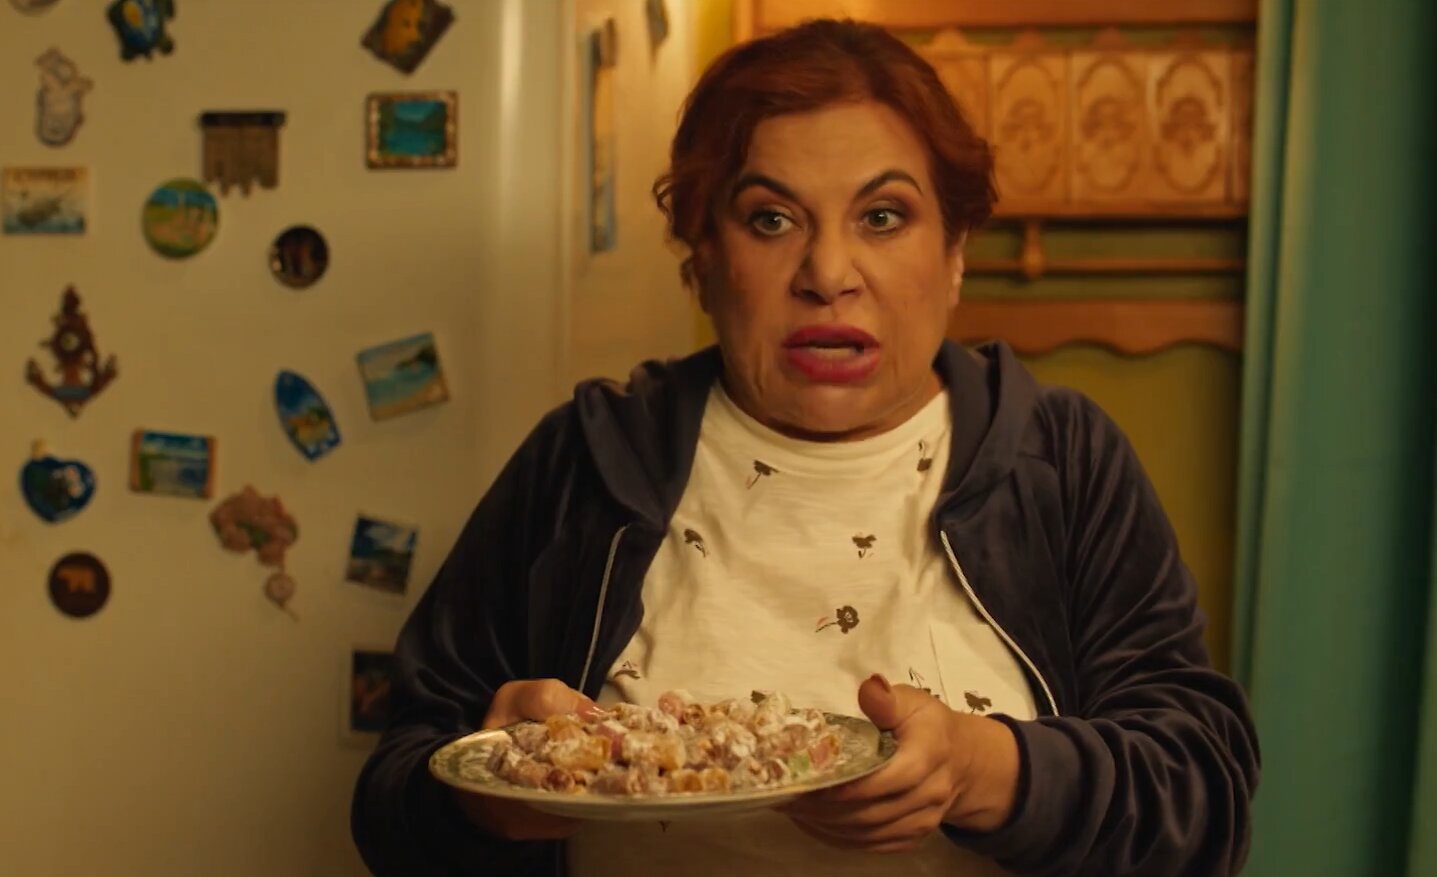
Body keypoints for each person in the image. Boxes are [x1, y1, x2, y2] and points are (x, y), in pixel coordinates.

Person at [351, 18, 1260, 877]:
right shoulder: (586, 459)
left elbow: (1202, 801)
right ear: (703, 259)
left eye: (883, 217)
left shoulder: (1058, 460)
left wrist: (985, 771)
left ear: (953, 253)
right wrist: (485, 796)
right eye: (771, 219)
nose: (827, 274)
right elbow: (393, 797)